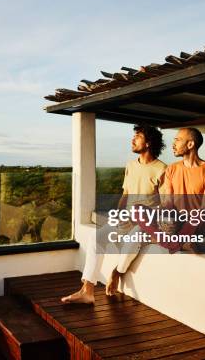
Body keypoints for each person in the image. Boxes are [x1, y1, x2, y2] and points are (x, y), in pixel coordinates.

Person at [61, 124, 166, 304]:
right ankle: (87, 291)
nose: (133, 140)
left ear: (148, 143)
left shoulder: (163, 169)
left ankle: (116, 273)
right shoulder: (131, 165)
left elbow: (164, 205)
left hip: (145, 223)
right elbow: (125, 195)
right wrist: (118, 215)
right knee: (96, 238)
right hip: (126, 220)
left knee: (131, 243)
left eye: (138, 136)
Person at [160, 127, 205, 253]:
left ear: (190, 144)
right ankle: (181, 243)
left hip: (195, 225)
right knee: (138, 209)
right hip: (175, 221)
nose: (173, 144)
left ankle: (172, 242)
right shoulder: (171, 169)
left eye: (177, 140)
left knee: (200, 214)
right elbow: (168, 202)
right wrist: (164, 214)